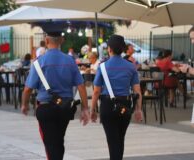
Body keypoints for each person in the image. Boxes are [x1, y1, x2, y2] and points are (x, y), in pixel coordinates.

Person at [21, 24, 90, 160]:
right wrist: (85, 108)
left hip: (45, 107)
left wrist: (24, 104)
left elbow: (28, 89)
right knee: (59, 141)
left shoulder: (38, 63)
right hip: (64, 108)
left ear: (46, 41)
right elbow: (81, 86)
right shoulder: (70, 61)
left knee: (51, 144)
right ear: (62, 40)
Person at [91, 35, 143, 160]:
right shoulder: (131, 66)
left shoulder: (102, 66)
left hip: (108, 106)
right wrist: (138, 109)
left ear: (109, 49)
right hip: (125, 105)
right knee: (120, 138)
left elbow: (96, 91)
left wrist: (92, 109)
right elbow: (137, 91)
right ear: (123, 49)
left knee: (112, 140)